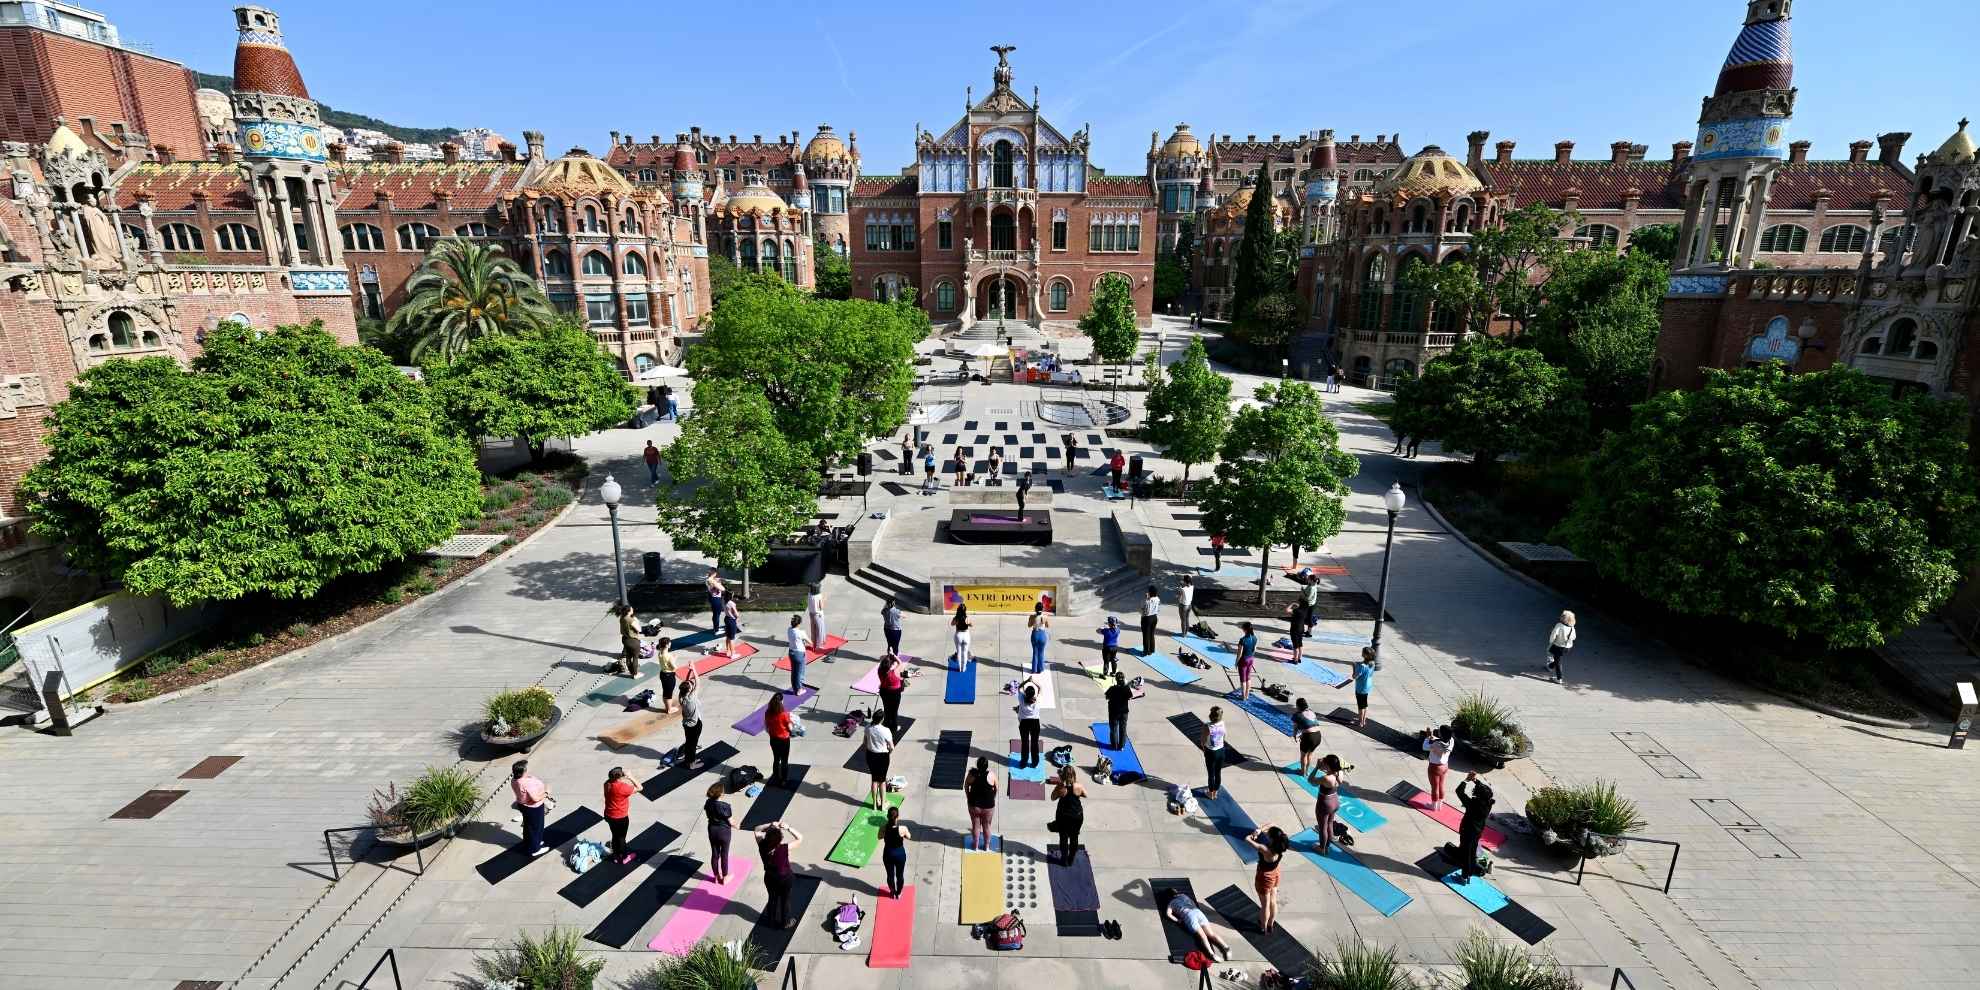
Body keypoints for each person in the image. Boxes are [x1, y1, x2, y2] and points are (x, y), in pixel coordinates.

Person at [1161, 887, 1232, 962]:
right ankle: (1227, 948)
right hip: (1197, 912)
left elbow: (1168, 914)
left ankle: (1212, 954)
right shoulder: (1184, 895)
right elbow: (1192, 902)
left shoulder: (1171, 903)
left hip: (1188, 916)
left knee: (1203, 936)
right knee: (1211, 934)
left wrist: (1178, 920)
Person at [755, 821, 803, 930]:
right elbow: (800, 838)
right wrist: (788, 827)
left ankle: (771, 921)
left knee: (772, 898)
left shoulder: (762, 845)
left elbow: (757, 829)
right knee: (785, 900)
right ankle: (785, 922)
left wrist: (770, 824)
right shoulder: (783, 848)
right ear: (779, 840)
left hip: (770, 878)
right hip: (785, 878)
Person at [1244, 825, 1291, 933]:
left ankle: (1263, 927)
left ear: (1272, 839)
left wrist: (1253, 835)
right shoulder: (1281, 843)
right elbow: (1272, 824)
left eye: (1268, 835)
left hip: (1264, 877)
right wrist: (1259, 830)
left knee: (1265, 906)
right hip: (1275, 873)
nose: (1267, 835)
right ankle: (1270, 925)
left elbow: (1246, 839)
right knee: (1273, 901)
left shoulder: (1265, 849)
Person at [1455, 772, 1496, 877]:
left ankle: (1464, 876)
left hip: (1468, 830)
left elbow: (1459, 791)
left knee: (1467, 854)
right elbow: (1485, 791)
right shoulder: (1488, 803)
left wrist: (1466, 780)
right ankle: (1470, 872)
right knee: (1472, 852)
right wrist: (1475, 780)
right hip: (1477, 831)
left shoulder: (1472, 804)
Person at [510, 761, 550, 857]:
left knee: (528, 826)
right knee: (536, 827)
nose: (527, 770)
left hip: (523, 806)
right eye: (526, 769)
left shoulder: (514, 780)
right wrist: (546, 792)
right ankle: (535, 849)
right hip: (533, 808)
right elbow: (535, 798)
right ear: (522, 772)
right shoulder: (526, 783)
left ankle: (531, 843)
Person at [1049, 766, 1086, 866]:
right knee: (1074, 838)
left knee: (1063, 838)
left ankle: (1064, 860)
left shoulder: (1061, 787)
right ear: (1074, 775)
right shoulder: (1078, 786)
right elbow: (1085, 795)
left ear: (1062, 776)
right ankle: (1071, 859)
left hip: (1063, 817)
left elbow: (1052, 797)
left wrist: (1058, 786)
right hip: (1077, 816)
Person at [1309, 754, 1345, 850]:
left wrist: (1317, 767)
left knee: (1323, 827)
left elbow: (1310, 780)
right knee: (1329, 823)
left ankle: (1322, 848)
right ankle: (1327, 844)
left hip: (1325, 804)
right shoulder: (1340, 773)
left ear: (1329, 766)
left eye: (1325, 763)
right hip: (1335, 801)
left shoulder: (1327, 778)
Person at [603, 767, 637, 865]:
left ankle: (616, 856)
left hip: (609, 815)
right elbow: (640, 787)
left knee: (615, 835)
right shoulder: (622, 787)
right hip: (620, 817)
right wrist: (630, 777)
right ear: (619, 777)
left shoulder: (606, 784)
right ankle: (625, 857)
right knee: (621, 838)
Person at [964, 756, 999, 851]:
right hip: (988, 805)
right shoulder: (991, 775)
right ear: (986, 766)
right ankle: (986, 846)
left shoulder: (972, 774)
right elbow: (996, 788)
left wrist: (968, 796)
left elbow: (966, 785)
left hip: (974, 805)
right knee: (987, 826)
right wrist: (993, 797)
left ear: (977, 765)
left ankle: (975, 846)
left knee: (976, 825)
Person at [864, 710, 895, 809]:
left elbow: (865, 743)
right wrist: (888, 752)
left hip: (870, 755)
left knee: (874, 779)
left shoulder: (867, 728)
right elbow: (892, 747)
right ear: (882, 719)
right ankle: (883, 805)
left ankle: (874, 804)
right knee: (882, 781)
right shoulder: (886, 730)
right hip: (882, 757)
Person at [704, 782, 733, 884]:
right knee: (724, 854)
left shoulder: (708, 802)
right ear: (721, 794)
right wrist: (737, 825)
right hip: (724, 831)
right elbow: (731, 821)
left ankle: (716, 876)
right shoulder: (725, 806)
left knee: (715, 854)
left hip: (712, 830)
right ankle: (725, 877)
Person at [880, 805, 910, 898]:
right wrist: (903, 835)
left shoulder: (883, 827)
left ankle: (892, 892)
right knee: (900, 875)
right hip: (899, 855)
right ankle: (899, 893)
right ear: (898, 817)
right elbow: (909, 837)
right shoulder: (902, 828)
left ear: (887, 816)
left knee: (890, 875)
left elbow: (879, 837)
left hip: (888, 854)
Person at [766, 691, 794, 787]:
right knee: (784, 760)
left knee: (776, 759)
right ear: (781, 701)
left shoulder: (768, 712)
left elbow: (767, 726)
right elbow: (790, 728)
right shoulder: (784, 714)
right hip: (784, 740)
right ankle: (784, 781)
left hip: (773, 739)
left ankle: (776, 777)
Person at [1422, 725, 1453, 809]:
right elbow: (1440, 741)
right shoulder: (1451, 740)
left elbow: (1425, 747)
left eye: (1439, 731)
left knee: (1434, 787)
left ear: (1442, 734)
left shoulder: (1437, 744)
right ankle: (1439, 805)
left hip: (1435, 767)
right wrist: (1432, 737)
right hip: (1445, 766)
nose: (1438, 731)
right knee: (1441, 785)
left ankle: (1433, 806)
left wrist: (1427, 737)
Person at [1200, 706, 1227, 800]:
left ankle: (1210, 794)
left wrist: (1204, 749)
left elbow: (1203, 741)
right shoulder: (1222, 723)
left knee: (1211, 774)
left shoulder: (1207, 726)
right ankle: (1215, 792)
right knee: (1218, 772)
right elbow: (1224, 736)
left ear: (1211, 716)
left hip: (1211, 752)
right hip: (1221, 750)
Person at [678, 673, 704, 769]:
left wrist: (689, 672)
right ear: (689, 690)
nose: (692, 684)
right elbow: (698, 682)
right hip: (695, 726)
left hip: (686, 725)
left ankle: (688, 760)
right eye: (690, 685)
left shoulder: (681, 697)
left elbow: (686, 684)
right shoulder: (691, 698)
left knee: (689, 743)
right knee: (692, 745)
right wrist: (693, 669)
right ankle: (691, 764)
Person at [1015, 678, 1042, 768]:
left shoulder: (1022, 699)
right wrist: (1033, 681)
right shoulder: (1037, 700)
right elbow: (1040, 688)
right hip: (1035, 723)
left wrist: (1027, 681)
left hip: (1024, 723)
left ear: (1026, 693)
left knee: (1025, 743)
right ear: (1033, 694)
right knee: (1034, 743)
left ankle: (1024, 762)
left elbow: (1019, 687)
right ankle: (1035, 763)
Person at [877, 653, 905, 737]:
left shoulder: (880, 670)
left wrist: (889, 657)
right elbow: (900, 663)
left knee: (886, 708)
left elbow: (882, 661)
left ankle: (886, 723)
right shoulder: (895, 672)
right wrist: (894, 656)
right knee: (894, 711)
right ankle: (894, 727)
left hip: (884, 691)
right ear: (891, 665)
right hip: (894, 693)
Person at [1293, 698, 1324, 775]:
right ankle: (1306, 771)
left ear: (1298, 706)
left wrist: (1295, 736)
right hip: (1318, 736)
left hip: (1309, 737)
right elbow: (1310, 726)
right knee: (1309, 754)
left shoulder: (1297, 715)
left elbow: (1295, 728)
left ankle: (1302, 772)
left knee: (1303, 756)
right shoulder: (1311, 712)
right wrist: (1303, 734)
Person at [1105, 672, 1134, 750]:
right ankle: (1121, 746)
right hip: (1124, 712)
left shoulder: (1112, 688)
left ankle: (1114, 745)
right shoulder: (1126, 688)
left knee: (1114, 729)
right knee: (1123, 729)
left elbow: (1107, 696)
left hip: (1114, 712)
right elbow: (1130, 696)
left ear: (1116, 679)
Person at [1547, 610, 1577, 684]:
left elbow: (1553, 635)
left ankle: (1559, 678)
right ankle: (1550, 666)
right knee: (1557, 658)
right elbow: (1574, 637)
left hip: (1558, 646)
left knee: (1557, 661)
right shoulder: (1572, 627)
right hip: (1567, 647)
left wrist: (1551, 642)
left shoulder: (1559, 625)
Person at [1282, 576, 1310, 654]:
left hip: (1295, 629)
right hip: (1301, 628)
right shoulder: (1305, 610)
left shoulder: (1296, 611)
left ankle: (1295, 659)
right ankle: (1299, 658)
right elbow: (1305, 602)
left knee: (1295, 646)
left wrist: (1292, 604)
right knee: (1300, 644)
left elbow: (1287, 610)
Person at [785, 615, 811, 694]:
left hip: (791, 652)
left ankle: (795, 688)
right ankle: (799, 690)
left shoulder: (789, 630)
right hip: (799, 654)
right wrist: (804, 635)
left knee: (794, 671)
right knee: (799, 672)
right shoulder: (801, 633)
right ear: (799, 623)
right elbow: (810, 642)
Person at [616, 603, 643, 677]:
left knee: (628, 657)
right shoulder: (631, 620)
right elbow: (639, 629)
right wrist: (636, 620)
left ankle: (631, 672)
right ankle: (635, 674)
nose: (633, 609)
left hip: (625, 639)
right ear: (628, 611)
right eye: (631, 609)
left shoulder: (622, 618)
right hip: (633, 641)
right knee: (635, 657)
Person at [1352, 649, 1376, 727]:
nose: (1361, 652)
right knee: (1365, 704)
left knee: (1361, 706)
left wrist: (1354, 667)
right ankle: (1364, 720)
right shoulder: (1372, 663)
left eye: (1363, 652)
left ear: (1365, 655)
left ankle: (1361, 722)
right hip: (1368, 686)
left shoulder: (1362, 667)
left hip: (1361, 688)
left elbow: (1354, 676)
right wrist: (1358, 664)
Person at [653, 636, 677, 715]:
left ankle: (667, 707)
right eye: (669, 643)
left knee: (665, 692)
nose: (670, 644)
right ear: (667, 645)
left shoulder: (660, 653)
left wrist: (672, 659)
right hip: (669, 676)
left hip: (663, 674)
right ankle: (669, 709)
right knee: (669, 694)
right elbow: (674, 668)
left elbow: (666, 663)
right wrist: (674, 659)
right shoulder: (669, 656)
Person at [1235, 622, 1258, 700]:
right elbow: (1254, 649)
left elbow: (1239, 653)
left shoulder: (1242, 640)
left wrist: (1236, 662)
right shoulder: (1254, 638)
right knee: (1248, 677)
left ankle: (1243, 696)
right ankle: (1247, 695)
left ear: (1245, 629)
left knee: (1243, 679)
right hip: (1251, 659)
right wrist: (1251, 656)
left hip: (1243, 660)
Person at [1027, 602, 1050, 674]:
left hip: (1035, 634)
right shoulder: (1045, 616)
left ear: (1035, 609)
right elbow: (1047, 626)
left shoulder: (1032, 616)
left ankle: (1034, 669)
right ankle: (1040, 669)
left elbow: (1029, 625)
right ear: (1042, 609)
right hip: (1042, 635)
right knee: (1041, 652)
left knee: (1035, 652)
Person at [1140, 586, 1161, 655]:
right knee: (1152, 634)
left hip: (1147, 618)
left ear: (1150, 592)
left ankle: (1146, 651)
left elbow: (1144, 609)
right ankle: (1152, 649)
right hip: (1154, 617)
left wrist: (1146, 599)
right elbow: (1158, 609)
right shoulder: (1158, 599)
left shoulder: (1148, 601)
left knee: (1146, 635)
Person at [806, 583, 827, 649]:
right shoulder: (819, 596)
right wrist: (825, 599)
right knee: (820, 629)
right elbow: (821, 607)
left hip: (811, 614)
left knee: (813, 629)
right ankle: (819, 645)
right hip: (818, 615)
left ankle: (813, 643)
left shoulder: (809, 594)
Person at [705, 569, 726, 633]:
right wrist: (719, 583)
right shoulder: (712, 581)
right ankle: (716, 630)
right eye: (716, 573)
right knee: (717, 614)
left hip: (713, 598)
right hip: (716, 599)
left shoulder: (708, 579)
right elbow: (723, 589)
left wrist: (717, 581)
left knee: (715, 614)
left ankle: (716, 628)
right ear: (714, 573)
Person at [722, 591, 741, 657]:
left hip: (726, 618)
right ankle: (733, 654)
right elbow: (736, 614)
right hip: (731, 620)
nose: (733, 595)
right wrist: (737, 616)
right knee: (732, 638)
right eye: (732, 594)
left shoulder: (723, 600)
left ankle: (728, 651)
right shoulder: (731, 603)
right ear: (730, 596)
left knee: (728, 636)